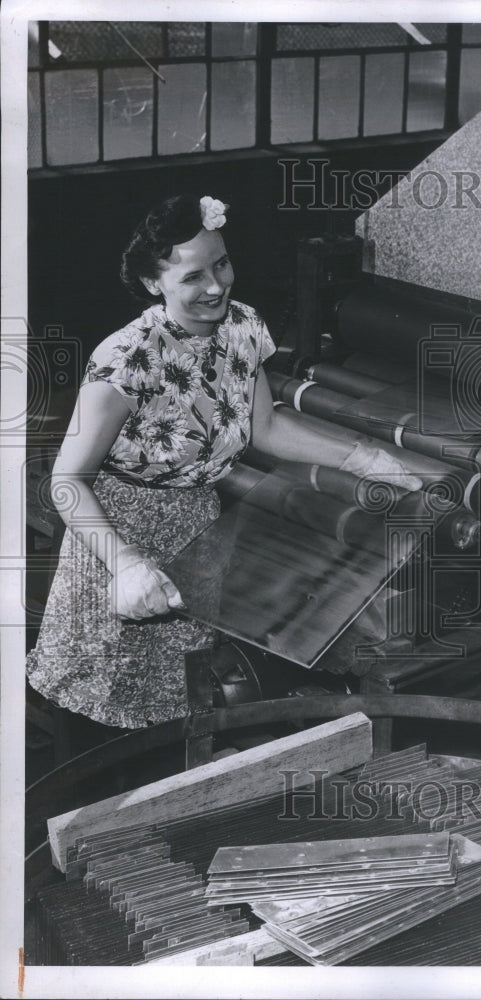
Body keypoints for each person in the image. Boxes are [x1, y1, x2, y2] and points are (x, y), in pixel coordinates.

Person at [26, 194, 421, 730]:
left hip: (198, 529)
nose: (215, 286)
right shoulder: (125, 360)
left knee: (184, 694)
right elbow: (67, 480)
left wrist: (362, 456)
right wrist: (125, 564)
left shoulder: (243, 328)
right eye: (192, 277)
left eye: (222, 264)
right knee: (105, 698)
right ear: (153, 283)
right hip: (118, 534)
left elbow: (268, 427)